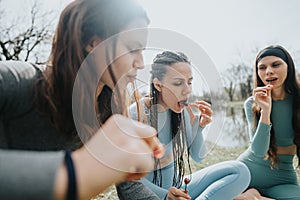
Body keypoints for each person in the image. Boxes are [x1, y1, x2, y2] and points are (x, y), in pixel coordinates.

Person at [0, 0, 165, 199]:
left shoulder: (108, 114)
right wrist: (75, 172)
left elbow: (131, 189)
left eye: (142, 51)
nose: (140, 63)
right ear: (93, 44)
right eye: (132, 49)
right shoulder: (21, 81)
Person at [126, 51, 251, 200]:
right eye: (178, 83)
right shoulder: (134, 116)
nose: (188, 90)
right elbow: (129, 181)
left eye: (189, 82)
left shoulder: (180, 111)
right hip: (152, 196)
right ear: (158, 85)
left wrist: (198, 127)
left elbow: (198, 156)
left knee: (240, 171)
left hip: (179, 188)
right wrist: (166, 196)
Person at [237, 45, 300, 200]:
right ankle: (249, 194)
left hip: (283, 178)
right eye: (262, 67)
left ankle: (253, 197)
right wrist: (265, 111)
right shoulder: (252, 103)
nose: (269, 71)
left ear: (289, 67)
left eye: (276, 65)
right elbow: (258, 151)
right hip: (247, 173)